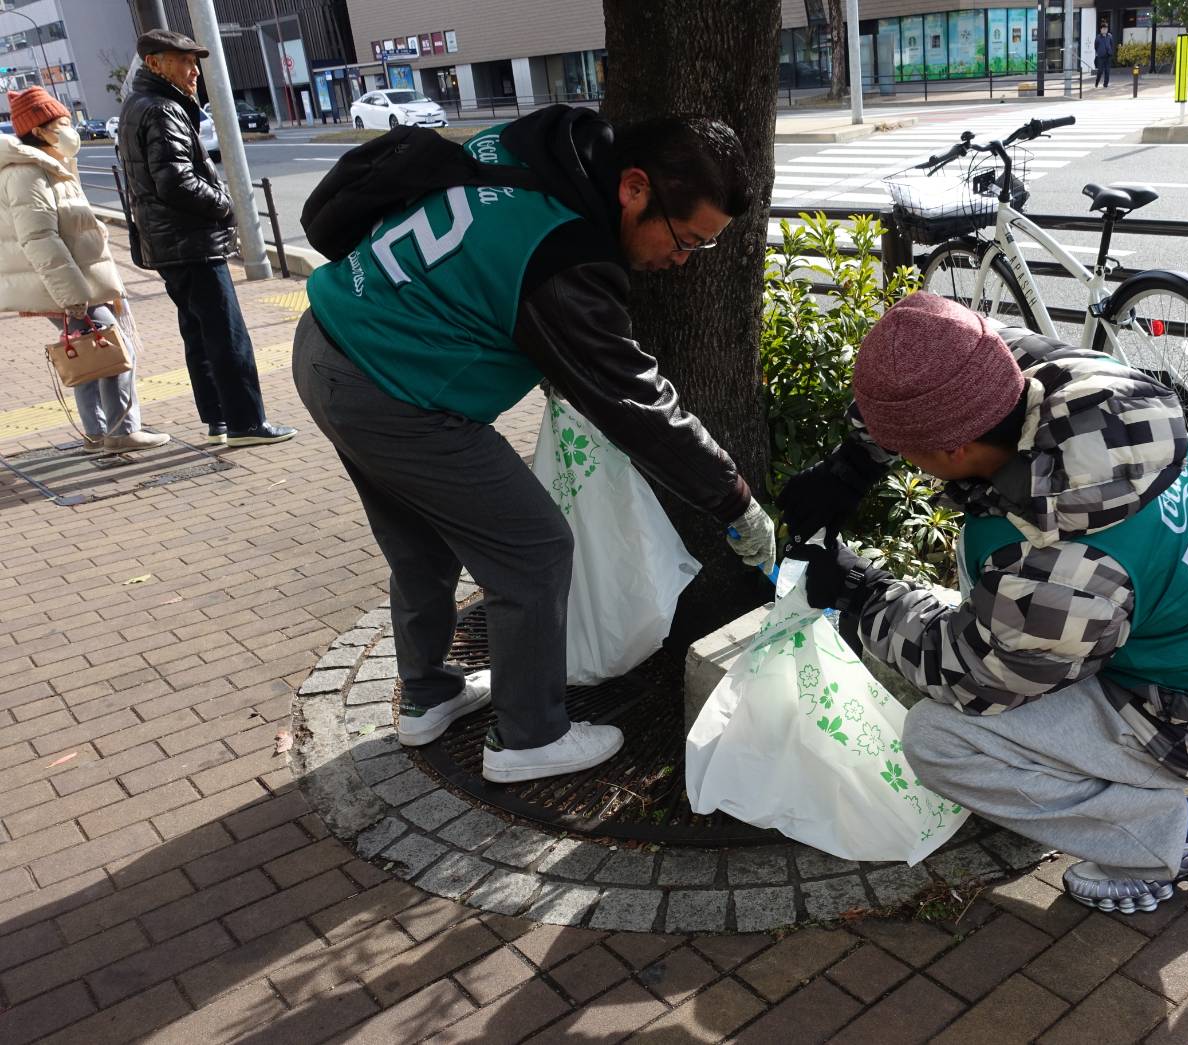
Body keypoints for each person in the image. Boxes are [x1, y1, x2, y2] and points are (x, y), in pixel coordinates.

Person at [294, 105, 775, 784]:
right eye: (686, 240)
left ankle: (427, 694)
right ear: (634, 187)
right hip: (394, 394)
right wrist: (734, 500)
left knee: (420, 544)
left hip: (329, 342)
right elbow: (637, 404)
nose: (682, 261)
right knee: (534, 549)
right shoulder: (564, 254)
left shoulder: (532, 150)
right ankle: (529, 738)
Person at [782, 292, 1188, 914]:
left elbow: (973, 675)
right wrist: (852, 464)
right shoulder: (1084, 386)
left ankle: (1175, 837)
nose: (901, 458)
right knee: (996, 589)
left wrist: (862, 593)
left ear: (951, 451)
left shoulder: (1061, 565)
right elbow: (940, 364)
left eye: (904, 448)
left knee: (941, 740)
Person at [119, 29, 295, 447]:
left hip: (169, 243)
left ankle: (218, 418)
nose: (193, 70)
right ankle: (246, 423)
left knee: (198, 333)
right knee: (226, 333)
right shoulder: (162, 108)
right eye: (183, 61)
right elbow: (175, 181)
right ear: (154, 63)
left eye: (194, 61)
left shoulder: (138, 105)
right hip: (191, 242)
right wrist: (225, 204)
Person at [0, 87, 168, 452]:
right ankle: (121, 432)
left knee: (90, 351)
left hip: (68, 282)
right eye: (62, 123)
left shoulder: (47, 164)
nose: (70, 128)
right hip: (65, 286)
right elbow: (39, 239)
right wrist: (73, 296)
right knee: (114, 348)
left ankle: (97, 432)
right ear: (39, 130)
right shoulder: (29, 172)